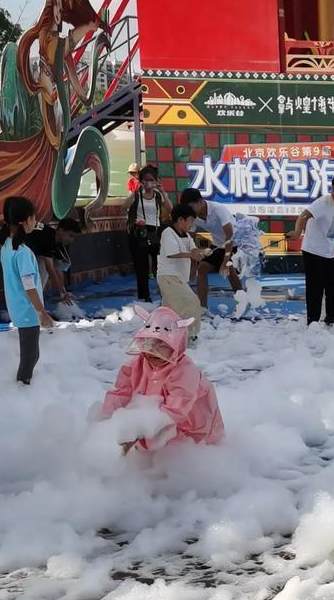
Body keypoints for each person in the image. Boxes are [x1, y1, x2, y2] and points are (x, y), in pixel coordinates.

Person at [98, 305, 224, 451]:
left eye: (161, 345)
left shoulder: (184, 372)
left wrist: (140, 431)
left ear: (176, 346)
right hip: (159, 417)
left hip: (192, 422)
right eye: (149, 343)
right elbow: (122, 393)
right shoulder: (135, 366)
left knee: (188, 450)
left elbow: (176, 409)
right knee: (154, 446)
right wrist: (106, 421)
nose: (153, 350)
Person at [0, 197, 53, 385]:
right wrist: (41, 312)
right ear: (26, 221)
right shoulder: (21, 252)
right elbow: (29, 286)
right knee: (30, 356)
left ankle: (23, 387)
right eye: (34, 218)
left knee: (30, 353)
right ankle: (22, 386)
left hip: (17, 307)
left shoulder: (6, 246)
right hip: (27, 311)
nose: (35, 222)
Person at [287, 170, 334, 326]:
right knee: (315, 289)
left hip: (330, 252)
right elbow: (303, 216)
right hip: (312, 250)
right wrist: (297, 232)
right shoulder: (322, 203)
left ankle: (331, 322)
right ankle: (313, 324)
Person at [156, 203, 208, 338]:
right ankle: (188, 335)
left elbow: (192, 248)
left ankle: (165, 336)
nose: (192, 224)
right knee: (192, 303)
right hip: (169, 277)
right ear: (180, 220)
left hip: (177, 277)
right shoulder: (168, 233)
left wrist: (199, 252)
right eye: (191, 221)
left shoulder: (186, 235)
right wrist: (193, 255)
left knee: (169, 312)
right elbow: (172, 253)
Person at [186, 190, 242, 309]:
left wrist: (225, 262)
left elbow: (230, 236)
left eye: (191, 206)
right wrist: (192, 264)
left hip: (235, 242)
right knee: (201, 269)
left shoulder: (218, 209)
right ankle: (203, 308)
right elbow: (190, 238)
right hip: (218, 245)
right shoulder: (193, 216)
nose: (190, 210)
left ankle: (242, 304)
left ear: (200, 202)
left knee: (229, 269)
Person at [124, 164, 169, 302]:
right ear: (141, 180)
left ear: (156, 180)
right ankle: (144, 297)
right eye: (145, 179)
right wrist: (135, 192)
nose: (148, 182)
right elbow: (124, 206)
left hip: (154, 231)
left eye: (151, 179)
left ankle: (165, 295)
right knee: (141, 267)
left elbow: (170, 208)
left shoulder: (157, 195)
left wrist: (163, 192)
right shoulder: (136, 195)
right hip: (138, 232)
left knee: (159, 265)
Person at [28, 215, 83, 313]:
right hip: (15, 248)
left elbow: (59, 270)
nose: (71, 240)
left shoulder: (59, 243)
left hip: (30, 253)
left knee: (43, 271)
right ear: (60, 230)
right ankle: (32, 308)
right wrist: (61, 293)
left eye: (74, 238)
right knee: (41, 271)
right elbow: (50, 268)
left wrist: (63, 291)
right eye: (70, 236)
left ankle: (35, 307)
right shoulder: (48, 237)